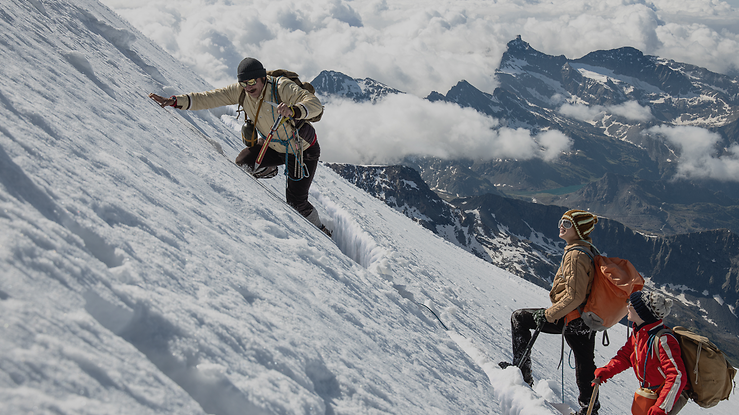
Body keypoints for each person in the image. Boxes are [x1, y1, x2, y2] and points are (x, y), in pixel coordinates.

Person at [149, 57, 330, 236]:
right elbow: (209, 98)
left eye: (251, 82)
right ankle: (268, 169)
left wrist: (294, 110)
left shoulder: (281, 87)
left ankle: (321, 230)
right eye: (243, 83)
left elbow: (315, 105)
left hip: (301, 151)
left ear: (262, 78)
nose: (248, 87)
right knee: (243, 163)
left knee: (296, 202)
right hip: (272, 145)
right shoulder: (241, 91)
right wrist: (174, 101)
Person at [499, 209, 600, 415]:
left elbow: (574, 296)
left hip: (572, 316)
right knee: (585, 363)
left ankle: (522, 373)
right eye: (561, 221)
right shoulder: (588, 250)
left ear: (579, 230)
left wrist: (548, 314)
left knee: (519, 318)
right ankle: (590, 409)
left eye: (567, 223)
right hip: (586, 319)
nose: (561, 226)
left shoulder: (575, 255)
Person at [593, 290, 688, 415]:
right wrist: (607, 370)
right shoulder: (640, 333)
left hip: (668, 395)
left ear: (643, 313)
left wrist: (661, 407)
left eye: (632, 305)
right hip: (651, 393)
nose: (628, 307)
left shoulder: (664, 340)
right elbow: (625, 356)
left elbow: (676, 376)